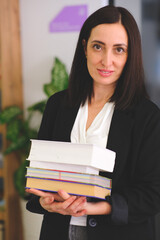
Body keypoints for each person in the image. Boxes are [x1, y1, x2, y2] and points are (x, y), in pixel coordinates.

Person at [26, 5, 160, 240]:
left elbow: (153, 193)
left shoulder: (147, 115)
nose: (106, 61)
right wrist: (45, 201)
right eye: (98, 47)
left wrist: (100, 207)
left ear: (130, 55)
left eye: (119, 50)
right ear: (84, 47)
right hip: (59, 231)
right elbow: (39, 176)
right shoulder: (57, 105)